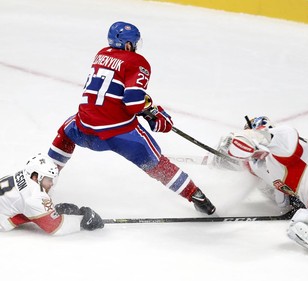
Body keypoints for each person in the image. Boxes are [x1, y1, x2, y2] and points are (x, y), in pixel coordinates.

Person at [47, 21, 215, 215]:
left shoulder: (101, 54)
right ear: (128, 44)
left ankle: (43, 182)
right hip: (119, 133)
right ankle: (197, 196)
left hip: (84, 128)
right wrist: (153, 112)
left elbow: (115, 92)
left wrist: (147, 108)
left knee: (65, 133)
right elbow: (133, 103)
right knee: (157, 164)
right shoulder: (137, 62)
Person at [213, 116, 308, 256]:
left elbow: (276, 138)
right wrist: (222, 159)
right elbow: (249, 167)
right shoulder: (259, 165)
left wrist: (254, 137)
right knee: (306, 208)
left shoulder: (282, 140)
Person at [0, 153, 104, 235]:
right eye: (48, 179)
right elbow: (55, 227)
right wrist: (82, 221)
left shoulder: (25, 174)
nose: (51, 183)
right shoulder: (34, 195)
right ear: (36, 177)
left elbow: (23, 204)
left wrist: (53, 210)